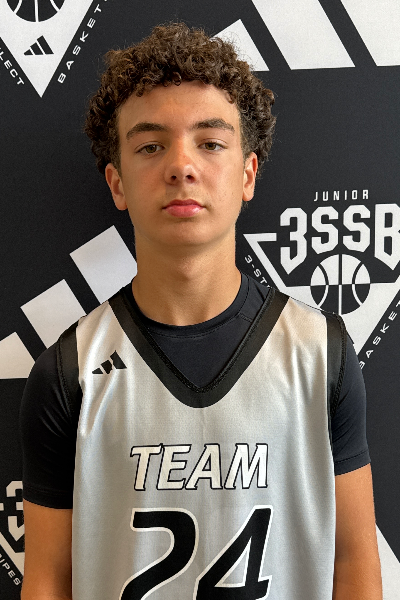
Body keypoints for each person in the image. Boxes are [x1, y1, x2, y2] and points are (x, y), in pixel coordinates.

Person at [20, 22, 382, 600]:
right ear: (117, 183)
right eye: (150, 146)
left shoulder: (320, 354)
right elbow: (47, 579)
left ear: (247, 173)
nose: (181, 166)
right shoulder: (70, 372)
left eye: (210, 143)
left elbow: (354, 560)